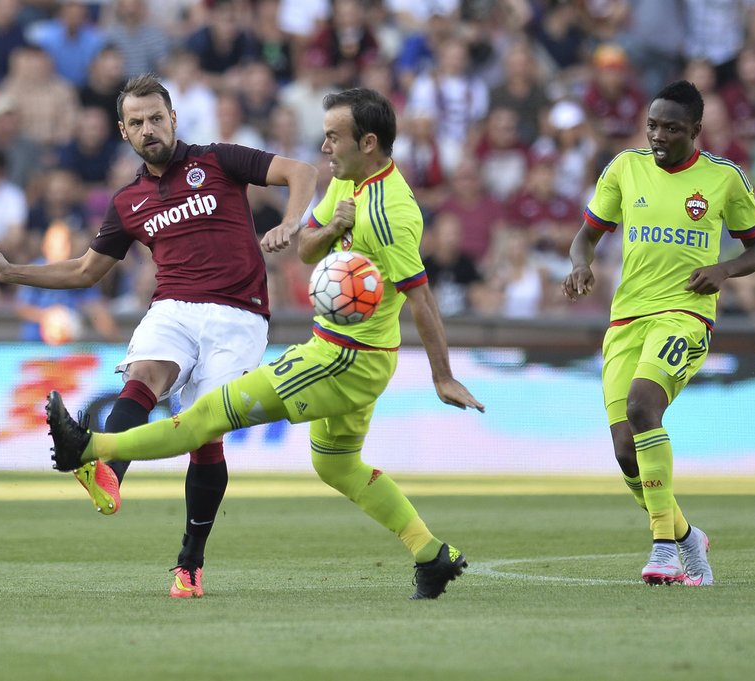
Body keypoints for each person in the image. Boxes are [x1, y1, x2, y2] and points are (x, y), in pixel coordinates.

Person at [44, 87, 485, 600]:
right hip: (351, 351)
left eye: (333, 138)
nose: (324, 148)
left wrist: (442, 376)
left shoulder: (391, 213)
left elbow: (423, 300)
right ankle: (432, 555)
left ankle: (91, 446)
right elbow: (306, 248)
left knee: (208, 415)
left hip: (344, 358)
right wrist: (322, 227)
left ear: (367, 142)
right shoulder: (351, 187)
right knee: (336, 464)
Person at [0, 73, 318, 598]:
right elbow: (87, 271)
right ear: (123, 132)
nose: (149, 128)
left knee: (205, 432)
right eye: (137, 122)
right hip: (173, 306)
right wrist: (11, 271)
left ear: (173, 118)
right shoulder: (129, 200)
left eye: (156, 117)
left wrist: (292, 222)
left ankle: (190, 562)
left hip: (239, 315)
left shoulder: (219, 160)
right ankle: (106, 473)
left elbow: (301, 171)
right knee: (143, 376)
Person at [562, 80, 755, 586]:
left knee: (641, 407)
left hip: (685, 315)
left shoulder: (723, 179)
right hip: (626, 319)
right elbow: (585, 237)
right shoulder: (624, 168)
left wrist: (722, 271)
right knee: (624, 450)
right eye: (652, 124)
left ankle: (662, 546)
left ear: (695, 130)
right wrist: (580, 266)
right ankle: (687, 537)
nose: (658, 135)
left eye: (671, 128)